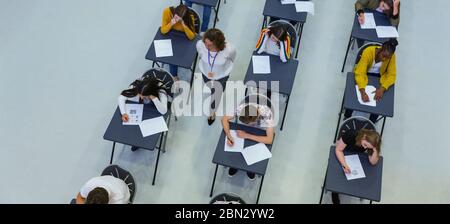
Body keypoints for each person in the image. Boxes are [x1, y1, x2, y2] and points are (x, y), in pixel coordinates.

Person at [344, 39, 398, 123]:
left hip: (378, 78)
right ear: (380, 50)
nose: (385, 59)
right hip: (364, 73)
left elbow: (392, 75)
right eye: (383, 56)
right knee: (354, 95)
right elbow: (360, 72)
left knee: (379, 99)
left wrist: (382, 88)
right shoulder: (368, 51)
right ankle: (347, 117)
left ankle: (371, 122)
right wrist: (362, 92)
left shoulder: (391, 57)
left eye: (388, 58)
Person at [221, 101, 275, 180]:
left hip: (259, 132)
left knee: (252, 155)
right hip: (243, 131)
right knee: (236, 151)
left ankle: (250, 170)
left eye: (249, 123)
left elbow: (269, 139)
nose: (248, 124)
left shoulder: (267, 115)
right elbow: (224, 119)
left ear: (257, 118)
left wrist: (247, 135)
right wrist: (229, 135)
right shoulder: (242, 108)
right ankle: (235, 165)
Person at [119, 70, 169, 151]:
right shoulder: (137, 86)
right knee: (135, 125)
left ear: (151, 93)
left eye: (144, 96)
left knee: (148, 127)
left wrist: (154, 98)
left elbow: (163, 111)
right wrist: (123, 113)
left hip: (154, 109)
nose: (141, 97)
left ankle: (143, 140)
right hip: (142, 108)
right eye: (140, 95)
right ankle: (136, 141)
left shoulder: (161, 92)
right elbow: (121, 97)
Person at [196, 28, 236, 125]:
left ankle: (212, 112)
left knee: (216, 95)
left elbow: (232, 59)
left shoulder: (229, 49)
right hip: (206, 74)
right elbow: (200, 55)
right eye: (205, 43)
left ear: (217, 43)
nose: (206, 46)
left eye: (209, 45)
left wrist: (224, 72)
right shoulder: (200, 45)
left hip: (221, 76)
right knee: (211, 88)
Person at [332, 129, 381, 204]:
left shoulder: (370, 144)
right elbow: (338, 150)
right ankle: (334, 194)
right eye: (365, 145)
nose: (365, 148)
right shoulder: (350, 134)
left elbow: (373, 162)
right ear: (364, 137)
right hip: (344, 152)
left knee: (360, 177)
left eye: (368, 147)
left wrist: (375, 150)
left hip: (356, 157)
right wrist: (344, 165)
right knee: (338, 176)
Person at [161, 3, 197, 79]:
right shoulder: (167, 11)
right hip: (171, 37)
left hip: (183, 40)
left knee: (176, 56)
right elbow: (163, 30)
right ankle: (174, 75)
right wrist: (171, 23)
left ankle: (174, 75)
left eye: (179, 18)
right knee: (171, 56)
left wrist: (184, 25)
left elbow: (191, 36)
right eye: (176, 16)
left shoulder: (190, 17)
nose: (177, 19)